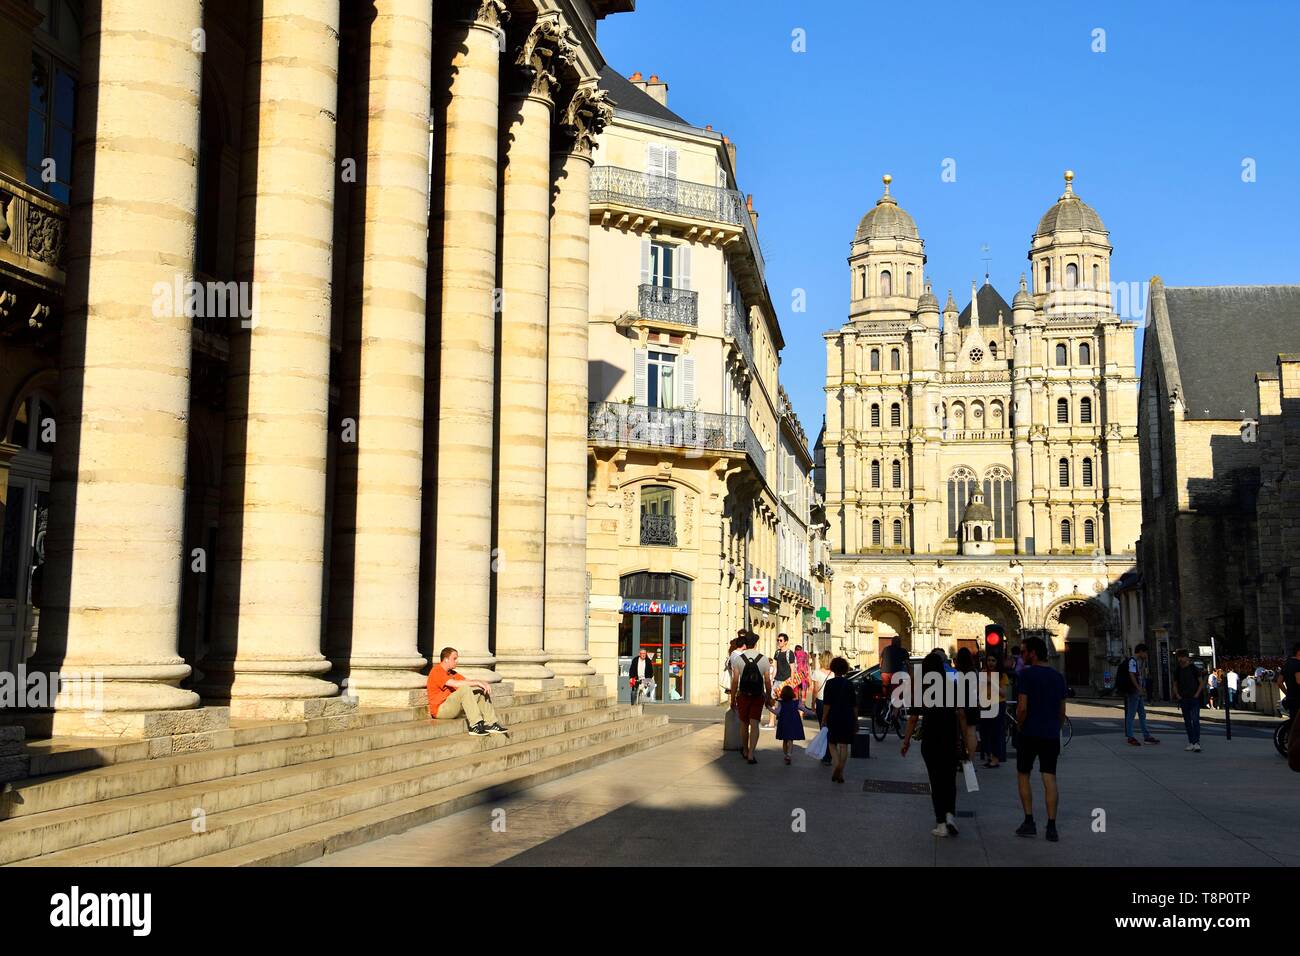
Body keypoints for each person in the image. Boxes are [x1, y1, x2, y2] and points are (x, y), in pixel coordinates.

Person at [901, 650, 966, 837]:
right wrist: (964, 740)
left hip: (931, 739)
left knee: (936, 782)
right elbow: (961, 714)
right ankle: (950, 815)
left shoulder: (922, 688)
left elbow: (913, 718)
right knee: (949, 780)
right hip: (950, 738)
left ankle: (941, 823)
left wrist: (906, 742)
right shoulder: (953, 687)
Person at [1014, 636, 1066, 842]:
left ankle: (1029, 821)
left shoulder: (1026, 675)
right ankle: (1051, 826)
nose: (1022, 655)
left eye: (1024, 651)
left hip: (1029, 732)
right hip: (1051, 733)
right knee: (1049, 777)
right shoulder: (1058, 677)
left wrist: (1019, 724)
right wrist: (1056, 728)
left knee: (1023, 774)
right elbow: (1062, 711)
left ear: (1033, 653)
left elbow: (1022, 707)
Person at [426, 647, 508, 736]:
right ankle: (475, 726)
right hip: (440, 710)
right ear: (446, 659)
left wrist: (481, 683)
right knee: (465, 688)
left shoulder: (452, 673)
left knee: (479, 691)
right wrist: (477, 682)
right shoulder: (437, 671)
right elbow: (455, 684)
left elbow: (466, 681)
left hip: (452, 707)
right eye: (454, 659)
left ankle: (491, 723)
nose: (457, 661)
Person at [731, 632, 772, 764]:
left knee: (744, 723)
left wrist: (732, 698)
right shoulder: (763, 659)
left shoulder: (739, 659)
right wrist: (769, 697)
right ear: (755, 643)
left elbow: (735, 681)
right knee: (754, 724)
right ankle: (751, 753)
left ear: (745, 644)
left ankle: (744, 749)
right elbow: (767, 681)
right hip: (757, 696)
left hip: (743, 695)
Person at [819, 656, 858, 784]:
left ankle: (837, 766)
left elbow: (827, 704)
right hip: (847, 716)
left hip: (834, 716)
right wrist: (856, 720)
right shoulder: (849, 684)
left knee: (832, 743)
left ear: (833, 668)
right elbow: (854, 705)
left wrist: (824, 718)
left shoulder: (830, 684)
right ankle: (840, 770)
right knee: (844, 745)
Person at [1118, 643, 1160, 746]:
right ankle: (1130, 736)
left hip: (1138, 691)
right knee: (1131, 714)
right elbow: (1132, 675)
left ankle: (1146, 736)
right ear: (1141, 651)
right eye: (1145, 652)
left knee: (1142, 714)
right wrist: (1138, 688)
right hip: (1134, 691)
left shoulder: (1138, 662)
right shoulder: (1133, 661)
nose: (1146, 655)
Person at [1171, 649, 1205, 752]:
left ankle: (1196, 742)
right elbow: (1175, 684)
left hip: (1193, 698)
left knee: (1195, 720)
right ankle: (1191, 742)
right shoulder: (1178, 670)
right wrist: (1177, 695)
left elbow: (1201, 682)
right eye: (1179, 657)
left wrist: (1196, 694)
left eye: (1182, 657)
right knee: (1187, 722)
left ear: (1186, 657)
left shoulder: (1193, 668)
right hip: (1183, 699)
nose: (1180, 659)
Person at [978, 654, 1008, 768]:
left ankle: (996, 759)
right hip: (985, 704)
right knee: (984, 732)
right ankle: (989, 756)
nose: (990, 663)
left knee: (996, 732)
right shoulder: (983, 673)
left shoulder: (1002, 675)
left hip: (998, 704)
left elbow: (1004, 693)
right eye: (989, 660)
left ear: (997, 662)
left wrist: (992, 682)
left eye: (993, 660)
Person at [955, 647, 980, 761]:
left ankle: (964, 754)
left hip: (961, 704)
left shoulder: (957, 673)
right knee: (971, 732)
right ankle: (970, 758)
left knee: (962, 732)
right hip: (973, 704)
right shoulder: (974, 672)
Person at [811, 651, 834, 765]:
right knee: (830, 728)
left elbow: (815, 690)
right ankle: (830, 753)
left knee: (823, 728)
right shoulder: (834, 673)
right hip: (832, 703)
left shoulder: (816, 673)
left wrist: (812, 703)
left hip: (821, 702)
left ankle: (825, 754)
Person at [774, 685, 806, 764]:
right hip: (792, 723)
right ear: (792, 693)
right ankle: (789, 755)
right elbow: (804, 709)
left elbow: (777, 712)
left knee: (785, 740)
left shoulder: (781, 703)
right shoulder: (796, 702)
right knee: (790, 740)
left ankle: (786, 755)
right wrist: (813, 712)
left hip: (783, 723)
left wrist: (769, 708)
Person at [1277, 643, 1300, 722]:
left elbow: (1279, 682)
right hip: (1298, 698)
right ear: (1299, 652)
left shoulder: (1287, 664)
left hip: (1290, 699)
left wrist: (1287, 693)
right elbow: (1299, 680)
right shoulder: (1298, 664)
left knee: (1294, 721)